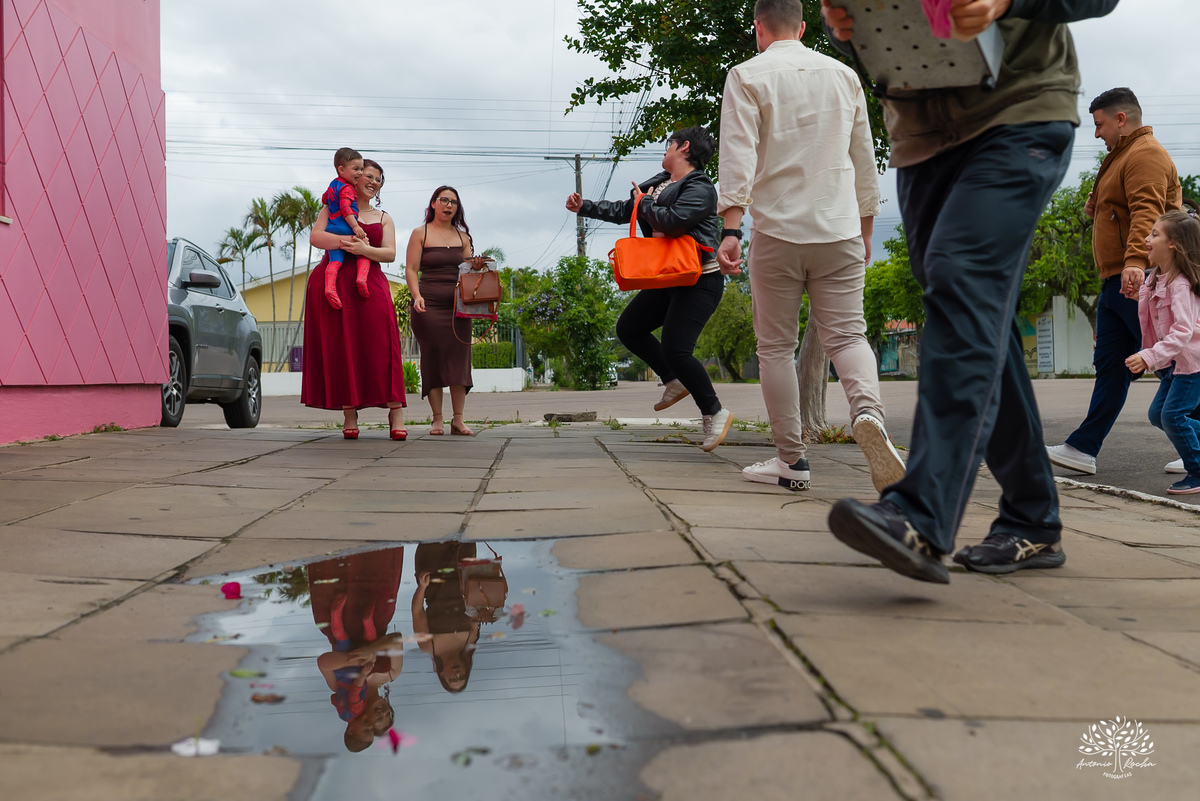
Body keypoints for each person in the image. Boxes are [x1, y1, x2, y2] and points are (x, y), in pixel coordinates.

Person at [822, 0, 1119, 583]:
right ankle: (1033, 518)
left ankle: (920, 513)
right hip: (920, 137)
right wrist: (849, 33)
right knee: (980, 316)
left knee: (961, 287)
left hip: (1019, 112)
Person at [715, 0, 904, 490]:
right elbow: (864, 156)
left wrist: (731, 231)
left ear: (758, 27)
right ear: (801, 27)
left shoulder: (746, 75)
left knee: (775, 347)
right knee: (848, 336)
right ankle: (869, 414)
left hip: (777, 231)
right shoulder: (844, 76)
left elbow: (737, 156)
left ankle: (792, 462)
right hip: (840, 227)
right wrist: (865, 228)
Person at [567, 126, 733, 451]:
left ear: (683, 147)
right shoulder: (658, 183)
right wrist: (584, 206)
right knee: (629, 328)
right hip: (668, 276)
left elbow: (672, 221)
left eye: (669, 143)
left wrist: (643, 204)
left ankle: (714, 411)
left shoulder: (700, 186)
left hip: (699, 279)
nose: (665, 149)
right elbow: (623, 209)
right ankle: (672, 379)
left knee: (676, 347)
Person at [1045, 88, 1183, 476]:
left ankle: (1197, 446)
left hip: (1139, 278)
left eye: (1100, 124)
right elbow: (1125, 210)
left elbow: (1148, 212)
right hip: (1115, 279)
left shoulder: (1145, 154)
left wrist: (1136, 263)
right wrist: (1099, 206)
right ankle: (1081, 448)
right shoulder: (1121, 158)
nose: (1096, 134)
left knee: (1172, 362)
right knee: (1111, 366)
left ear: (1121, 119)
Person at [302, 159, 408, 440]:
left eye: (378, 179)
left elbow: (390, 254)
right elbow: (316, 237)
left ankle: (395, 411)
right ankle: (350, 414)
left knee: (382, 346)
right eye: (367, 176)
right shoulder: (331, 208)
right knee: (343, 347)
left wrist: (364, 249)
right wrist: (348, 242)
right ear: (355, 178)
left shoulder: (384, 217)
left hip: (370, 285)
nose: (373, 182)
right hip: (334, 284)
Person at [1126, 211, 1200, 494]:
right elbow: (1155, 306)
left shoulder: (1181, 284)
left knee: (1173, 417)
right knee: (1159, 416)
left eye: (1155, 234)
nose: (1147, 239)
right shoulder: (1157, 277)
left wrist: (1148, 356)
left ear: (1174, 244)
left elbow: (1181, 331)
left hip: (1192, 363)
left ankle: (1197, 470)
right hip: (1175, 363)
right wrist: (1137, 295)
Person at [307, 547, 406, 752]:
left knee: (332, 558)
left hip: (336, 615)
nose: (383, 713)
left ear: (362, 720)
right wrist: (371, 650)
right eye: (388, 714)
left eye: (377, 720)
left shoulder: (340, 690)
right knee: (378, 554)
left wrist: (353, 660)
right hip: (375, 606)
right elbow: (396, 640)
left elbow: (323, 663)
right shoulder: (391, 674)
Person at [405, 187, 484, 436]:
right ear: (433, 203)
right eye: (444, 200)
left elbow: (469, 273)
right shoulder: (421, 233)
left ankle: (458, 420)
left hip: (459, 307)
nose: (449, 205)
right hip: (427, 305)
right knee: (434, 359)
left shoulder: (463, 237)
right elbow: (411, 269)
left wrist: (478, 266)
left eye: (454, 202)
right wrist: (416, 296)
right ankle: (437, 419)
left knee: (460, 360)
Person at [411, 541, 484, 693]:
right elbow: (474, 606)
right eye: (462, 676)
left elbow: (418, 612)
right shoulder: (469, 639)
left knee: (434, 528)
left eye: (453, 678)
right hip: (462, 571)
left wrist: (422, 587)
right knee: (465, 529)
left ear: (442, 674)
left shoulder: (428, 646)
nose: (457, 674)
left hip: (433, 575)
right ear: (466, 669)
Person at [320, 147, 371, 309]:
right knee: (364, 251)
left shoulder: (333, 184)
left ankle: (329, 287)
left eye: (361, 169)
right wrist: (356, 227)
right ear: (341, 170)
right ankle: (361, 279)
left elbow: (324, 199)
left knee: (334, 261)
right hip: (346, 228)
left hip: (331, 229)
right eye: (356, 169)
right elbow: (346, 209)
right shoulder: (347, 188)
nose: (360, 173)